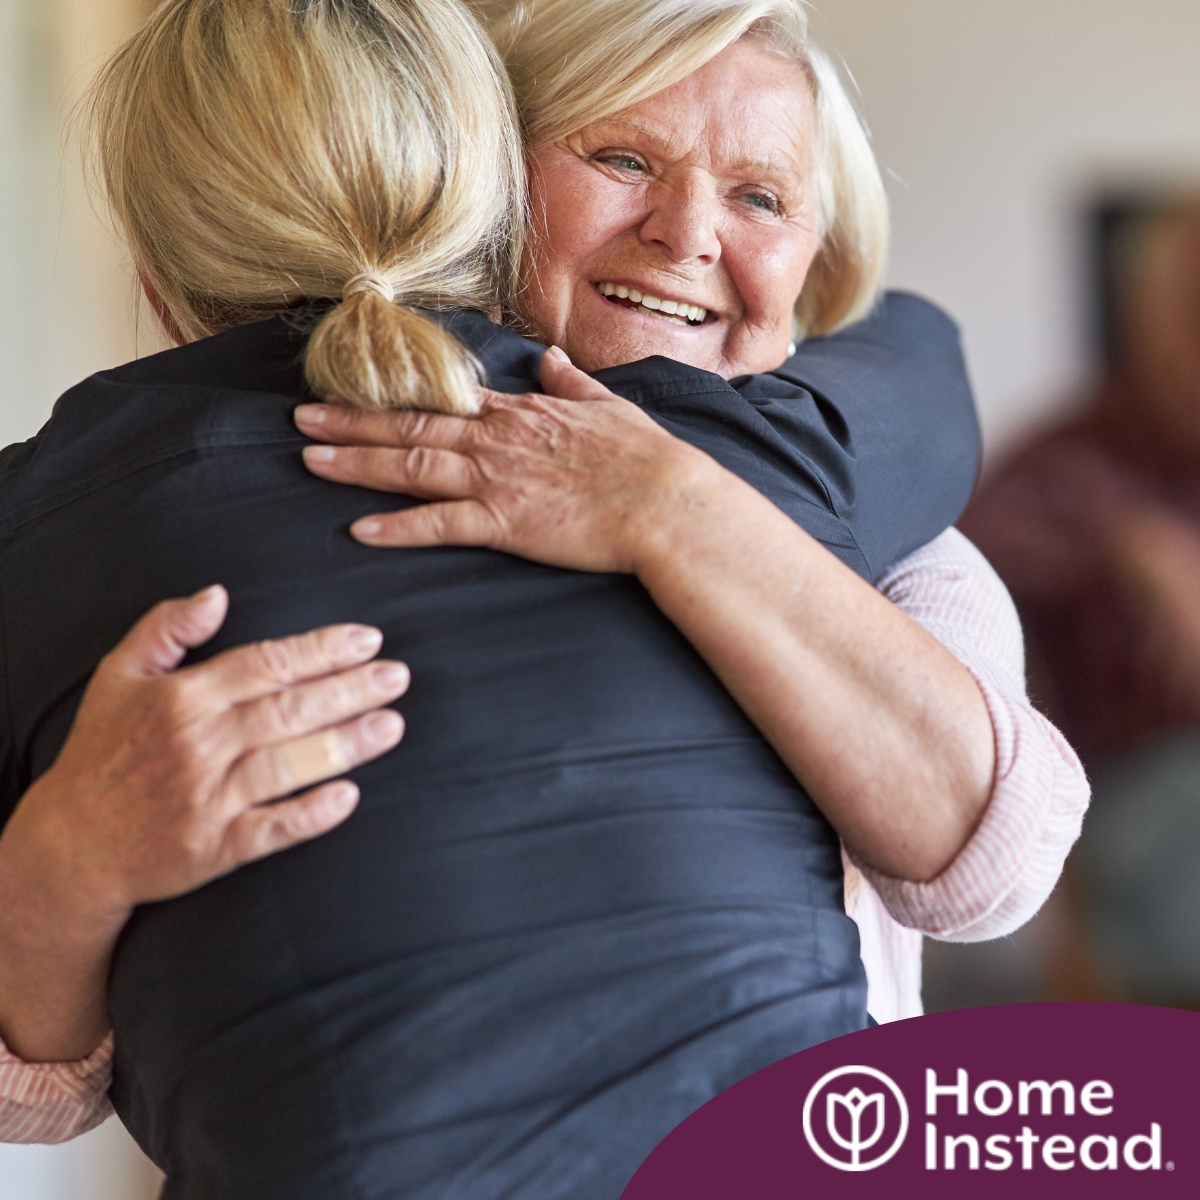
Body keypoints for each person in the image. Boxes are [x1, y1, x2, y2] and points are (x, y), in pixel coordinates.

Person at [0, 0, 1085, 1194]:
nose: (686, 235)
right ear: (475, 184)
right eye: (622, 159)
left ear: (819, 262)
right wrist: (65, 862)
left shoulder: (861, 514)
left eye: (762, 198)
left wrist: (677, 512)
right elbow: (42, 1096)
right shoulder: (159, 519)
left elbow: (997, 871)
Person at [962, 199, 1200, 1003]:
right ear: (1144, 312)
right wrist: (1128, 538)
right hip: (1152, 786)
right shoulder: (1074, 454)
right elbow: (962, 555)